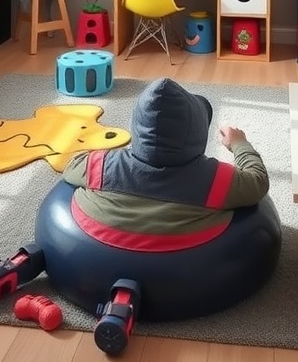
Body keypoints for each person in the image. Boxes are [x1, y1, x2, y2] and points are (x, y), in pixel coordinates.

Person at [63, 76, 269, 251]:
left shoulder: (106, 165)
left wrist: (118, 155)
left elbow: (71, 167)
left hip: (100, 250)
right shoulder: (216, 179)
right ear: (198, 134)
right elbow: (258, 181)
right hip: (184, 260)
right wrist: (239, 143)